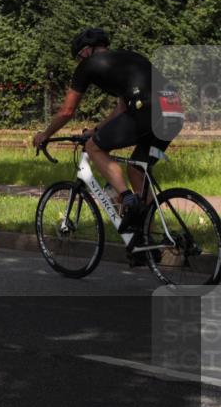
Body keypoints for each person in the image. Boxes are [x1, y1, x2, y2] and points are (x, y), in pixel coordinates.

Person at [32, 28, 184, 261]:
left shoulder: (88, 65)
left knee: (94, 148)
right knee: (136, 170)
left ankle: (126, 197)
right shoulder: (126, 59)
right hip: (173, 111)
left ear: (86, 51)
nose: (80, 62)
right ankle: (148, 240)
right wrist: (96, 130)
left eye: (79, 57)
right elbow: (121, 108)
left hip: (147, 110)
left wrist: (45, 134)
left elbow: (67, 111)